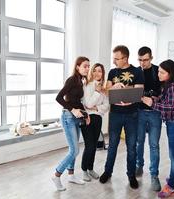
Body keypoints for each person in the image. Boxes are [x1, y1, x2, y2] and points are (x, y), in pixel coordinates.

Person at [99, 45, 144, 189]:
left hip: (132, 114)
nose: (114, 61)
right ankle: (108, 171)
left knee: (131, 147)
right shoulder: (112, 72)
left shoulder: (137, 72)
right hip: (116, 114)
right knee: (112, 145)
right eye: (114, 58)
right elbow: (106, 92)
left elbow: (139, 91)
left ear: (125, 58)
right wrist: (114, 86)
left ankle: (131, 175)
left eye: (117, 59)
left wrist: (128, 93)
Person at [141, 59, 174, 198]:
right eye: (158, 71)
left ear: (169, 73)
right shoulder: (171, 84)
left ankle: (171, 186)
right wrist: (155, 99)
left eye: (162, 72)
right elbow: (167, 100)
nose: (158, 74)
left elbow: (169, 107)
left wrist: (151, 104)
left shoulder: (172, 86)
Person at [52, 56, 90, 191]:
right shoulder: (72, 80)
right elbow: (58, 98)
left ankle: (71, 175)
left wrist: (85, 114)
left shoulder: (81, 80)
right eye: (85, 66)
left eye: (88, 66)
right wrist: (73, 110)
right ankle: (57, 175)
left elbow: (77, 100)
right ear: (77, 67)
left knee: (73, 149)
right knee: (74, 150)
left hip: (76, 117)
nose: (87, 68)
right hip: (68, 117)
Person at [135, 46, 162, 191]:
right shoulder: (135, 71)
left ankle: (154, 175)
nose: (142, 63)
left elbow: (163, 93)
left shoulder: (158, 71)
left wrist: (153, 97)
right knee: (139, 142)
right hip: (139, 112)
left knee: (154, 145)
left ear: (151, 58)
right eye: (140, 60)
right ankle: (139, 165)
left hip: (154, 114)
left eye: (145, 60)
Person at [81, 63, 109, 182]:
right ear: (91, 72)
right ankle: (84, 170)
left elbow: (106, 106)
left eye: (100, 71)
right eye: (95, 71)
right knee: (89, 146)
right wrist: (97, 93)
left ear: (103, 73)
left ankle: (90, 168)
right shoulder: (88, 85)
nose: (97, 73)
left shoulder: (104, 88)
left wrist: (97, 108)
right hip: (87, 118)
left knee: (94, 146)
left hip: (98, 119)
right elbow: (88, 104)